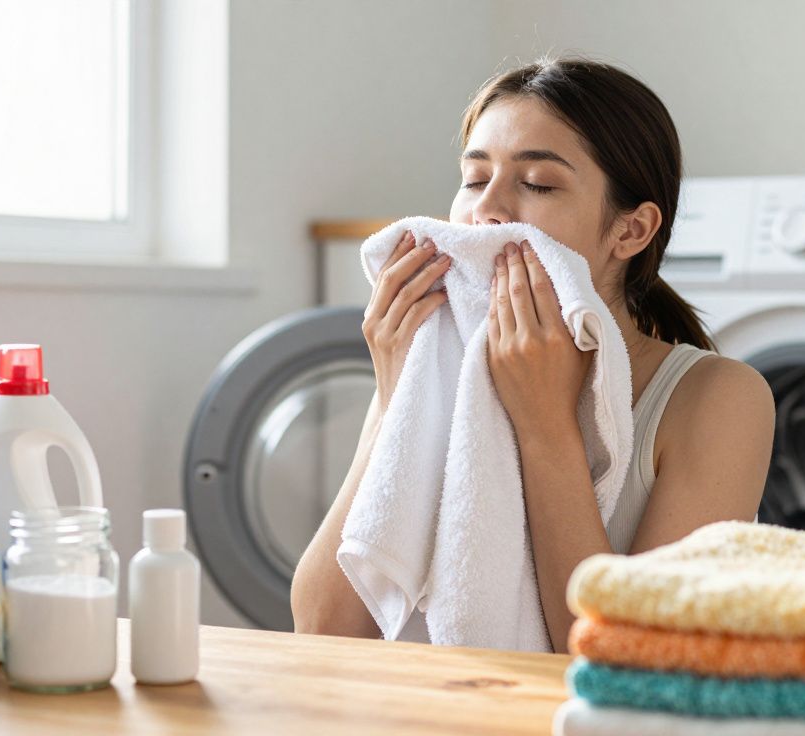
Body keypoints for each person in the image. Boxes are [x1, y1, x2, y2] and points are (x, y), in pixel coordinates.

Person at [291, 57, 775, 653]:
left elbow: (631, 659)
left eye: (538, 184)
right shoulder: (437, 369)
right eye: (475, 179)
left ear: (630, 231)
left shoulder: (720, 399)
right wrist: (393, 399)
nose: (486, 211)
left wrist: (545, 425)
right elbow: (322, 631)